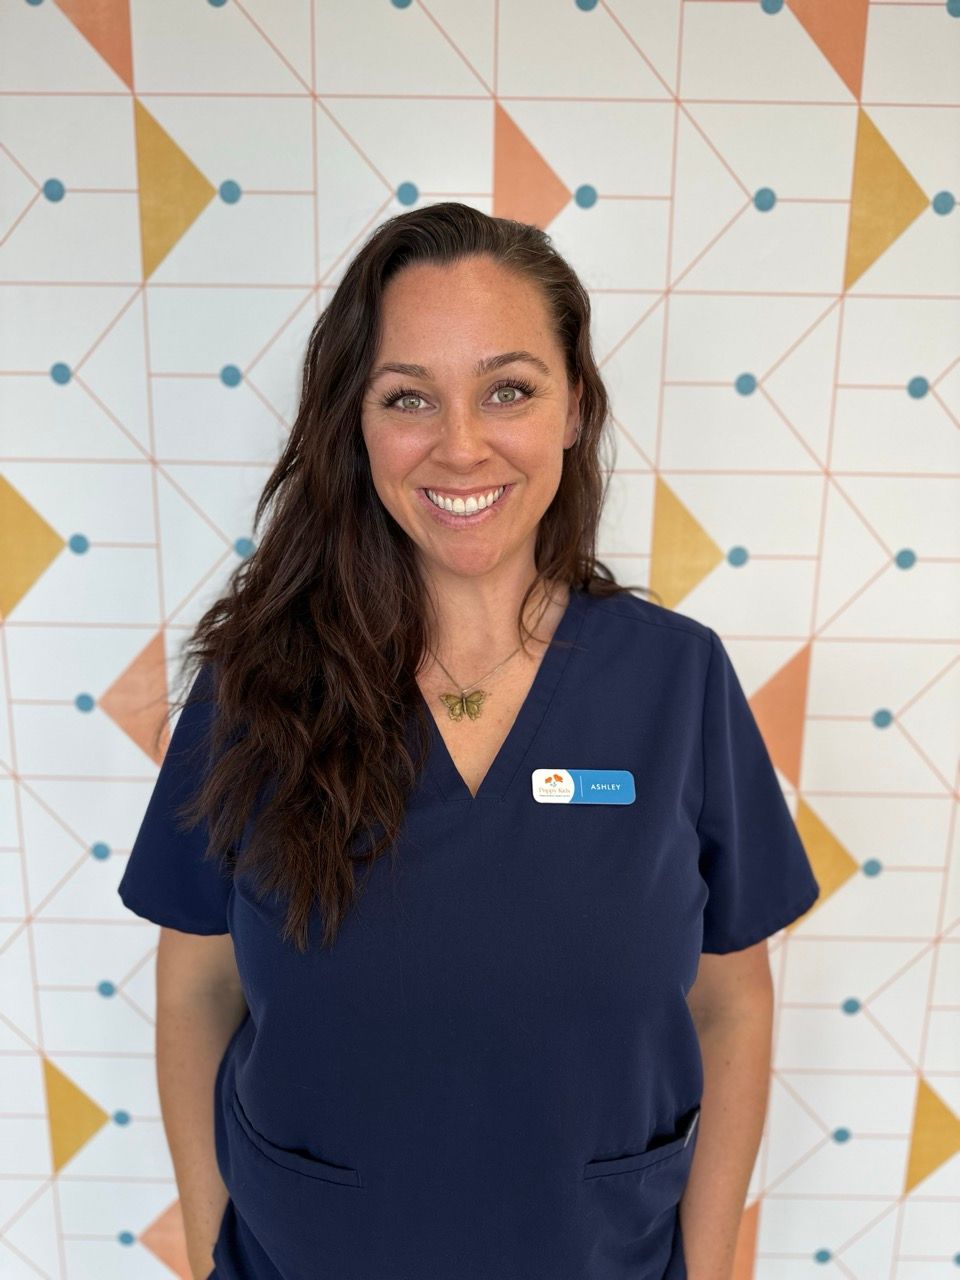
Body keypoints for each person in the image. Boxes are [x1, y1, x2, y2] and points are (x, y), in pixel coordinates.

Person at [117, 202, 821, 1280]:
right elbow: (196, 988)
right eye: (409, 396)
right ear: (355, 421)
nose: (460, 444)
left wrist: (715, 1265)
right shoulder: (254, 687)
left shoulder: (677, 682)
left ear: (575, 406)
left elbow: (731, 997)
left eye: (509, 389)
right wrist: (215, 1240)